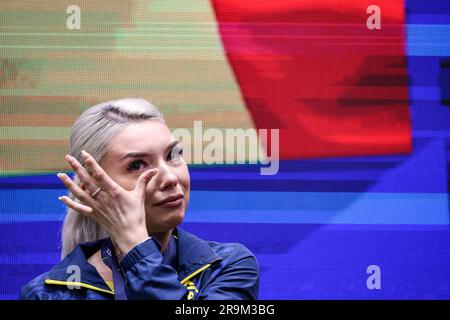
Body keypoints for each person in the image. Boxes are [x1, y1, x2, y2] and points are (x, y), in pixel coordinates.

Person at [20, 98, 259, 300]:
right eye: (136, 165)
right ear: (91, 188)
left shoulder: (227, 266)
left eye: (173, 155)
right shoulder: (47, 293)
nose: (169, 177)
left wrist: (134, 246)